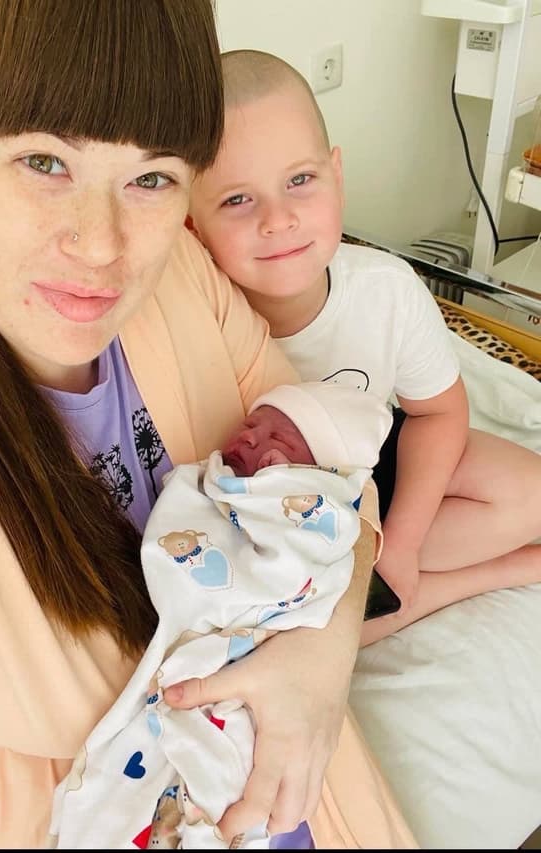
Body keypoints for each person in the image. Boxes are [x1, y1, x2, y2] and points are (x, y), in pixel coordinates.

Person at [0, 2, 418, 849]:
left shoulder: (180, 275)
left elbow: (332, 477)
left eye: (152, 178)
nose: (104, 246)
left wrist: (324, 661)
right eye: (44, 161)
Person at [187, 48, 541, 647]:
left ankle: (392, 575)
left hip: (373, 460)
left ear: (336, 174)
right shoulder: (197, 317)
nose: (279, 219)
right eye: (237, 200)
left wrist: (399, 542)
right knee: (294, 631)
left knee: (528, 491)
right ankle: (490, 574)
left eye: (300, 180)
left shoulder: (386, 290)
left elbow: (439, 412)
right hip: (268, 508)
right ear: (190, 224)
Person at [48, 382, 392, 849]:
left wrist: (323, 657)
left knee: (225, 771)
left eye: (278, 439)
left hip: (255, 680)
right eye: (250, 425)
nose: (249, 437)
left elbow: (352, 498)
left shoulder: (305, 491)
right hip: (204, 668)